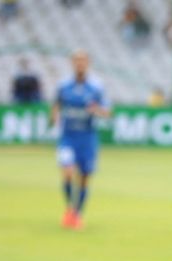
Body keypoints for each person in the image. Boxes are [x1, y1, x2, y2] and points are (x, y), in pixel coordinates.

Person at [51, 50, 110, 230]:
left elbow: (107, 111)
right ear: (72, 63)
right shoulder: (64, 85)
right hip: (68, 137)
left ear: (88, 63)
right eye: (77, 60)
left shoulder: (96, 87)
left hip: (87, 138)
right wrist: (54, 117)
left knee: (84, 177)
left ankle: (77, 213)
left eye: (83, 60)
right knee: (68, 172)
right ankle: (71, 210)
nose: (80, 63)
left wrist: (97, 110)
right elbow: (56, 104)